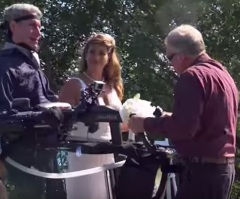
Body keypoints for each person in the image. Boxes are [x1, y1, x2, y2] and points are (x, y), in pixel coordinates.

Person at [128, 24, 238, 199]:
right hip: (222, 170)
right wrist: (171, 118)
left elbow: (185, 129)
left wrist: (144, 123)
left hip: (202, 172)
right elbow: (207, 122)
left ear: (180, 57)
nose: (171, 65)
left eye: (169, 58)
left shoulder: (192, 76)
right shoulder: (223, 75)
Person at [0, 3, 65, 199]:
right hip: (20, 166)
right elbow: (3, 116)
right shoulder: (4, 65)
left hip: (47, 160)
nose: (38, 32)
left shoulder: (32, 65)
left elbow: (48, 102)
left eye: (40, 27)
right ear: (13, 26)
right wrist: (42, 116)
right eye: (32, 26)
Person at [58, 33, 125, 199]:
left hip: (110, 152)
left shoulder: (113, 86)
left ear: (109, 58)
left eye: (102, 53)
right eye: (92, 51)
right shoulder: (73, 84)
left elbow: (119, 124)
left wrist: (139, 119)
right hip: (83, 154)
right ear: (85, 55)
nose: (96, 57)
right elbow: (60, 119)